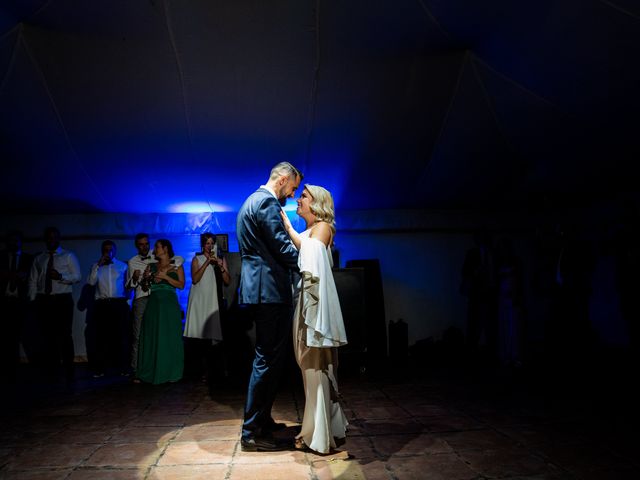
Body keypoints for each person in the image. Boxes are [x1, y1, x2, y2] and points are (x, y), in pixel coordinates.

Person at [236, 161, 302, 452]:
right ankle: (251, 432)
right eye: (294, 187)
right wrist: (311, 262)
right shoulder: (266, 203)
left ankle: (262, 420)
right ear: (284, 179)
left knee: (271, 359)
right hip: (269, 291)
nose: (293, 193)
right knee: (266, 360)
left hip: (262, 290)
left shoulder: (252, 200)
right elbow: (281, 247)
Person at [280, 184, 348, 454]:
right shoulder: (312, 231)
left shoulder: (323, 227)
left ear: (317, 203)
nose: (298, 199)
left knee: (314, 367)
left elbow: (312, 256)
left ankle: (316, 435)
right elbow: (304, 248)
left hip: (315, 306)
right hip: (306, 302)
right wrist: (289, 228)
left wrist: (289, 229)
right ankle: (324, 426)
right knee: (309, 367)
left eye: (304, 196)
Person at [126, 233, 184, 381]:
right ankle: (142, 369)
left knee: (168, 336)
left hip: (168, 302)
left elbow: (181, 280)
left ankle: (169, 369)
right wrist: (142, 279)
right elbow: (140, 286)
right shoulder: (141, 263)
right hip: (148, 300)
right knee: (146, 336)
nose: (149, 248)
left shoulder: (171, 262)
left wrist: (166, 275)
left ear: (164, 248)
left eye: (154, 246)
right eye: (141, 244)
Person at [28, 227, 81, 381]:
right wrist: (32, 300)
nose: (51, 240)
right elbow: (32, 280)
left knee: (65, 335)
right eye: (48, 237)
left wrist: (60, 276)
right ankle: (51, 368)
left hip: (62, 299)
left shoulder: (68, 255)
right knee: (46, 335)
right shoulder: (39, 258)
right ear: (45, 239)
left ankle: (69, 368)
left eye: (54, 237)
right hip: (43, 300)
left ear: (58, 238)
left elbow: (77, 276)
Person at [184, 233, 230, 382]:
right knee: (200, 337)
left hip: (215, 299)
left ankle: (216, 371)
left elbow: (227, 281)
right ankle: (200, 372)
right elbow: (195, 279)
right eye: (207, 243)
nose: (209, 246)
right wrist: (207, 263)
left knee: (215, 336)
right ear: (202, 245)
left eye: (212, 243)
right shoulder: (196, 259)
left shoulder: (221, 260)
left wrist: (219, 266)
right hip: (200, 300)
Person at [85, 240, 129, 377]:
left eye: (110, 249)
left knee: (121, 337)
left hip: (118, 304)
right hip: (102, 305)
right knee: (100, 338)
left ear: (115, 251)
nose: (108, 252)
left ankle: (123, 368)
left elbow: (128, 285)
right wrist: (98, 265)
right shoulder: (95, 266)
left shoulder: (122, 266)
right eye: (105, 249)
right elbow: (90, 282)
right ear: (102, 251)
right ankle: (100, 369)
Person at [0, 230, 33, 380]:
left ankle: (32, 370)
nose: (13, 243)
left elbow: (34, 280)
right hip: (5, 302)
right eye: (10, 240)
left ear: (21, 242)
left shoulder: (29, 259)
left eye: (16, 240)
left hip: (21, 303)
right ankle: (9, 370)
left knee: (26, 335)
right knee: (7, 338)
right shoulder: (1, 258)